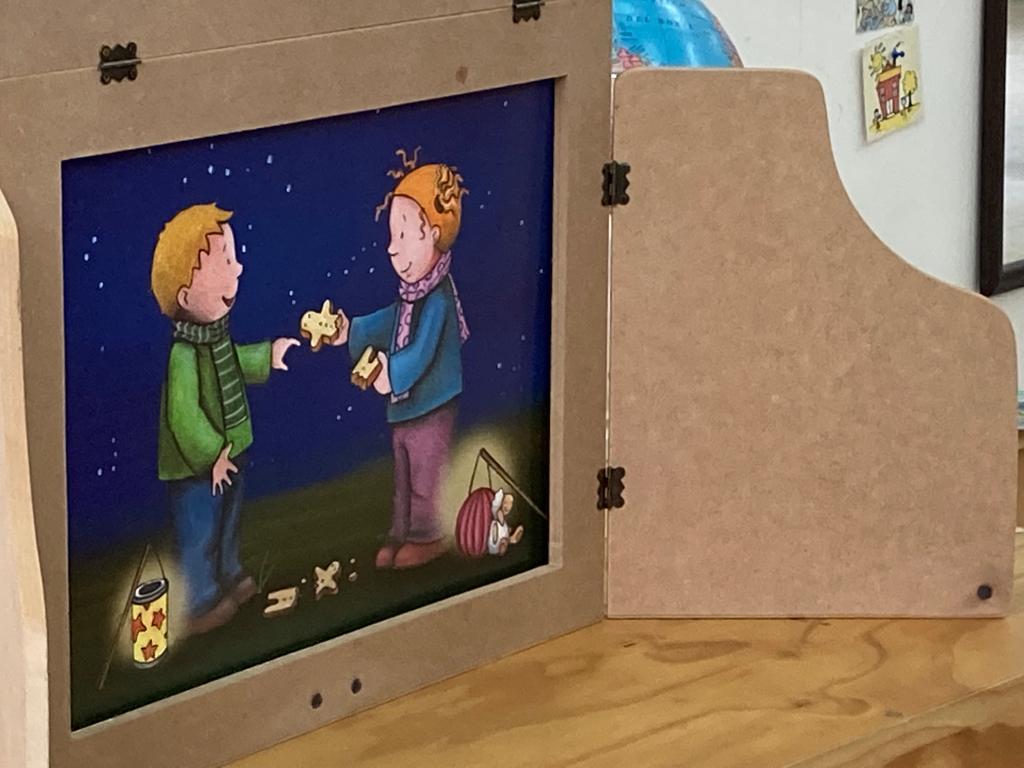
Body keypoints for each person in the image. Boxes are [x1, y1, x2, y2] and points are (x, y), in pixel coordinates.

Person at [151, 203, 298, 635]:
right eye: (223, 264)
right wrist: (211, 454)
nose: (238, 269)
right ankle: (201, 599)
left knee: (229, 520)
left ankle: (229, 573)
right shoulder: (184, 354)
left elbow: (233, 363)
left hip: (231, 455)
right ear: (185, 296)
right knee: (201, 530)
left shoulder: (216, 341)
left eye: (234, 259)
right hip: (197, 470)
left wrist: (268, 356)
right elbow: (184, 417)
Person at [332, 157, 470, 570]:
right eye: (392, 236)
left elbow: (422, 352)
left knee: (426, 475)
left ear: (433, 233)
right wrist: (350, 331)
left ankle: (427, 536)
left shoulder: (438, 300)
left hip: (432, 405)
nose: (392, 247)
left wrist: (389, 373)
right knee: (404, 475)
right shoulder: (410, 296)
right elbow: (389, 321)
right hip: (406, 408)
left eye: (404, 235)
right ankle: (400, 531)